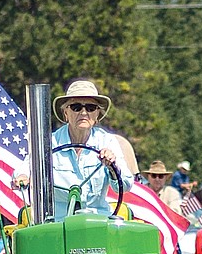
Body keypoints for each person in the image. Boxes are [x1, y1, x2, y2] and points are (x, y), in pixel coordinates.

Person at [14, 79, 132, 219]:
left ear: (97, 115)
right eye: (76, 107)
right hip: (57, 223)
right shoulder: (48, 142)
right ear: (66, 113)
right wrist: (23, 177)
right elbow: (24, 170)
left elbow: (125, 185)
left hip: (98, 222)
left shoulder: (107, 141)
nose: (83, 113)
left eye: (90, 108)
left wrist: (112, 167)